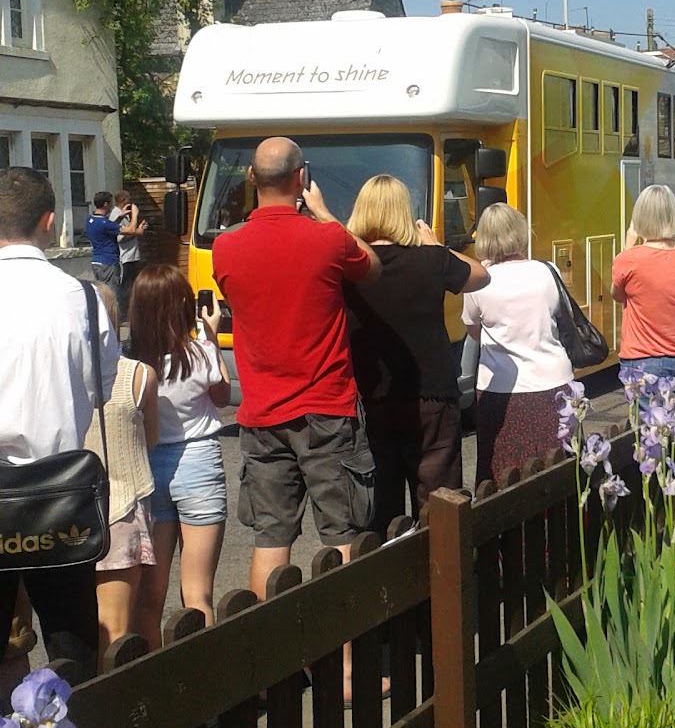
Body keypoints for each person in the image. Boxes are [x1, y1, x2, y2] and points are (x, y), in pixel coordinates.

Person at [0, 167, 119, 701]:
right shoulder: (83, 298)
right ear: (51, 221)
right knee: (72, 650)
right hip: (61, 494)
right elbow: (102, 387)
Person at [212, 137, 380, 602]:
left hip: (262, 413)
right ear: (300, 178)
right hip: (327, 410)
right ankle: (348, 671)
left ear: (250, 178)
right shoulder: (327, 240)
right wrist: (326, 215)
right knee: (342, 536)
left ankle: (275, 667)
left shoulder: (226, 248)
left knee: (270, 540)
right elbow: (373, 267)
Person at [344, 174, 488, 533]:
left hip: (373, 396)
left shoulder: (350, 269)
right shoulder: (430, 260)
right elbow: (481, 275)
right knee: (438, 502)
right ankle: (438, 577)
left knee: (382, 506)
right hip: (432, 394)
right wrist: (437, 246)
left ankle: (390, 581)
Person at [129, 265, 228, 639]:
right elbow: (221, 396)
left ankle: (155, 682)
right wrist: (211, 337)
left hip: (151, 466)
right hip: (199, 462)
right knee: (198, 593)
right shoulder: (200, 354)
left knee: (149, 599)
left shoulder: (133, 365)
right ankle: (204, 680)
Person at [462, 203, 572, 486]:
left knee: (502, 472)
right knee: (556, 468)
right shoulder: (549, 271)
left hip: (501, 389)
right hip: (553, 381)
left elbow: (474, 331)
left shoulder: (478, 281)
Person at [85, 283, 159, 663]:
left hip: (68, 508)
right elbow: (151, 439)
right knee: (115, 629)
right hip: (124, 507)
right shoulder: (140, 374)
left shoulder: (61, 376)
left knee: (74, 631)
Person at [611, 184, 675, 390]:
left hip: (640, 359)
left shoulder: (628, 259)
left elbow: (617, 295)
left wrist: (629, 245)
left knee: (646, 422)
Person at [110, 189, 148, 317]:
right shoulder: (115, 215)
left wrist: (138, 229)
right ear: (124, 201)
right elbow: (120, 237)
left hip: (131, 255)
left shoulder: (123, 214)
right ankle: (123, 313)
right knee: (124, 286)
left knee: (130, 285)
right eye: (129, 200)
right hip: (125, 256)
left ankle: (129, 311)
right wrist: (137, 232)